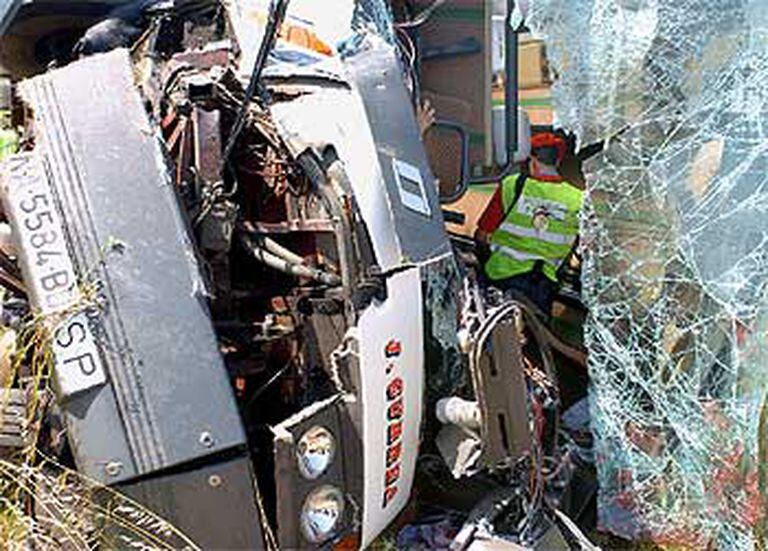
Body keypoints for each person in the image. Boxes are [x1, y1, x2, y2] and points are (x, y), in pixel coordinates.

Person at [474, 132, 583, 316]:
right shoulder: (577, 199)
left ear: (531, 160)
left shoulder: (512, 185)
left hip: (499, 279)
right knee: (533, 338)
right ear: (557, 162)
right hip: (542, 286)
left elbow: (482, 235)